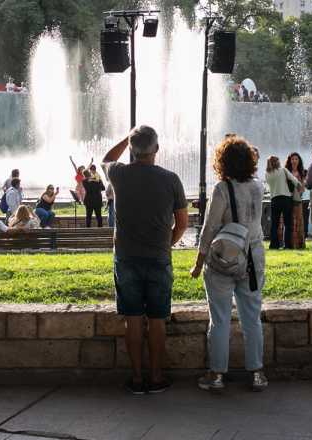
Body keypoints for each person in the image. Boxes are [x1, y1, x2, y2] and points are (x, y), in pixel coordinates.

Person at [102, 125, 189, 395]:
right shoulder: (172, 179)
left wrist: (126, 139)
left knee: (133, 319)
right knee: (158, 319)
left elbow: (106, 159)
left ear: (131, 149)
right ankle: (156, 376)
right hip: (159, 257)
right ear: (157, 149)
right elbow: (183, 223)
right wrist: (167, 244)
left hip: (126, 257)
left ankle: (137, 378)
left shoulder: (119, 174)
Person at [191, 135, 268, 393]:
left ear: (222, 162)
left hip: (224, 258)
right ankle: (257, 373)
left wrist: (199, 261)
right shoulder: (258, 186)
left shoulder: (222, 189)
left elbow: (210, 227)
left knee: (220, 319)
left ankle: (217, 376)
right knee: (252, 318)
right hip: (253, 257)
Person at [265, 156, 299, 249]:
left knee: (274, 224)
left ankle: (274, 244)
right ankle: (287, 245)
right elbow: (294, 180)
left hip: (274, 199)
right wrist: (299, 187)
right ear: (277, 162)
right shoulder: (283, 170)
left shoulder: (267, 174)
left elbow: (268, 186)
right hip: (286, 198)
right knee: (288, 223)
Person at [285, 153, 308, 249]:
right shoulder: (286, 172)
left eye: (296, 159)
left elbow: (303, 189)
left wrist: (300, 186)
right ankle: (289, 243)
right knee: (289, 221)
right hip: (287, 199)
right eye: (292, 159)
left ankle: (299, 244)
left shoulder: (302, 172)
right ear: (289, 161)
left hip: (297, 199)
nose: (294, 161)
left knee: (298, 221)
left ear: (299, 161)